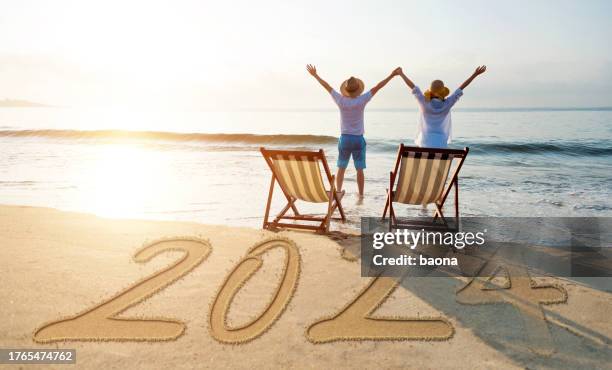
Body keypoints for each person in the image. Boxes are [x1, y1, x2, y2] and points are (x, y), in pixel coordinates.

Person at [306, 64, 400, 200]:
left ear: (346, 89)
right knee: (360, 169)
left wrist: (315, 75)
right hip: (358, 140)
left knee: (341, 167)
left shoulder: (340, 100)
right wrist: (392, 75)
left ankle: (338, 193)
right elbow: (378, 87)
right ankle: (361, 195)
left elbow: (327, 87)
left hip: (345, 139)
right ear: (358, 89)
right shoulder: (362, 100)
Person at [397, 66, 487, 148]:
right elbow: (461, 88)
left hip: (424, 143)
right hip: (441, 144)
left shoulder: (424, 102)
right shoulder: (448, 103)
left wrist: (402, 74)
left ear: (430, 92)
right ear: (443, 92)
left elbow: (413, 87)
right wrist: (475, 74)